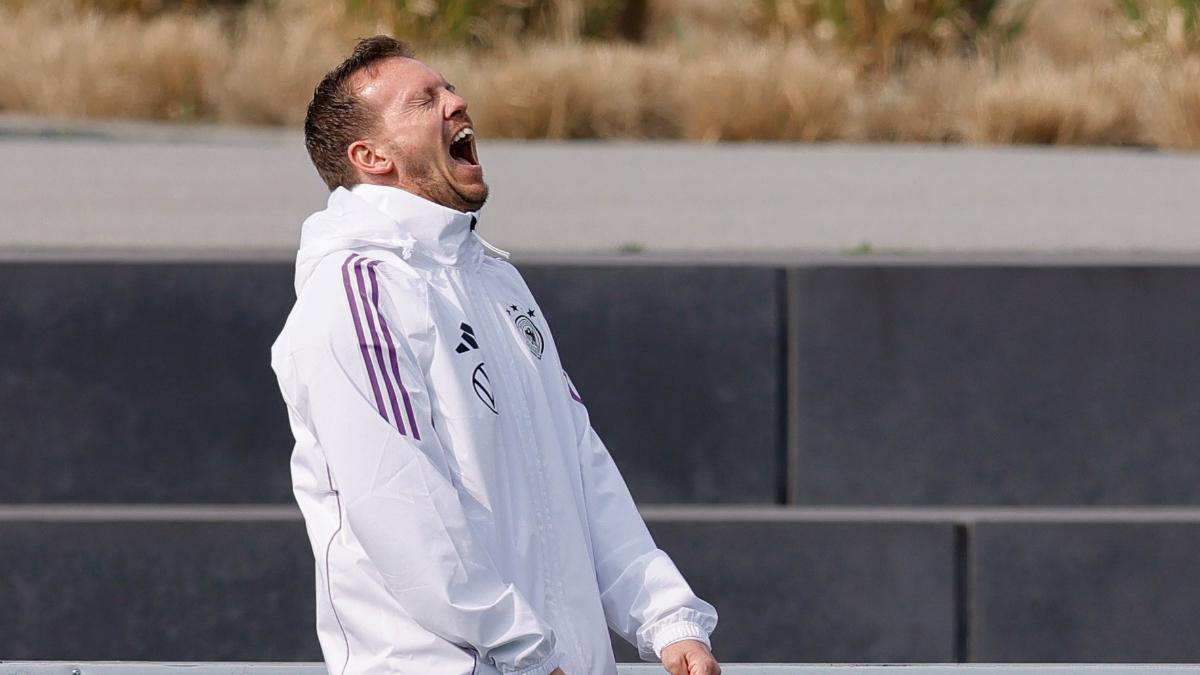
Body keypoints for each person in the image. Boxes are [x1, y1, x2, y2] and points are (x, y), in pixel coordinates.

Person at [270, 35, 720, 675]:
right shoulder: (357, 291)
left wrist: (667, 620)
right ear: (370, 156)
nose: (456, 102)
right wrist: (525, 655)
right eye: (424, 100)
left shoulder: (492, 278)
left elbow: (578, 459)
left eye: (448, 86)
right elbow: (399, 505)